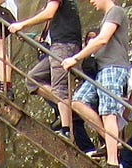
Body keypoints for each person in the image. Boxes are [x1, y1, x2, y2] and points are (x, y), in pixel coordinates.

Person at [66, 0, 132, 168]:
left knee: (108, 112)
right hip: (102, 69)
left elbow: (102, 39)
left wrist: (76, 58)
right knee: (78, 102)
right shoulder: (107, 16)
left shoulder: (116, 11)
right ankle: (111, 139)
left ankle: (113, 160)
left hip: (113, 67)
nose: (91, 2)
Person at [8, 0, 87, 135]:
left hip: (63, 46)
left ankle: (66, 129)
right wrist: (34, 37)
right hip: (60, 45)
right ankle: (67, 107)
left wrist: (22, 24)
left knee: (59, 89)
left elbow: (49, 13)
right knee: (33, 79)